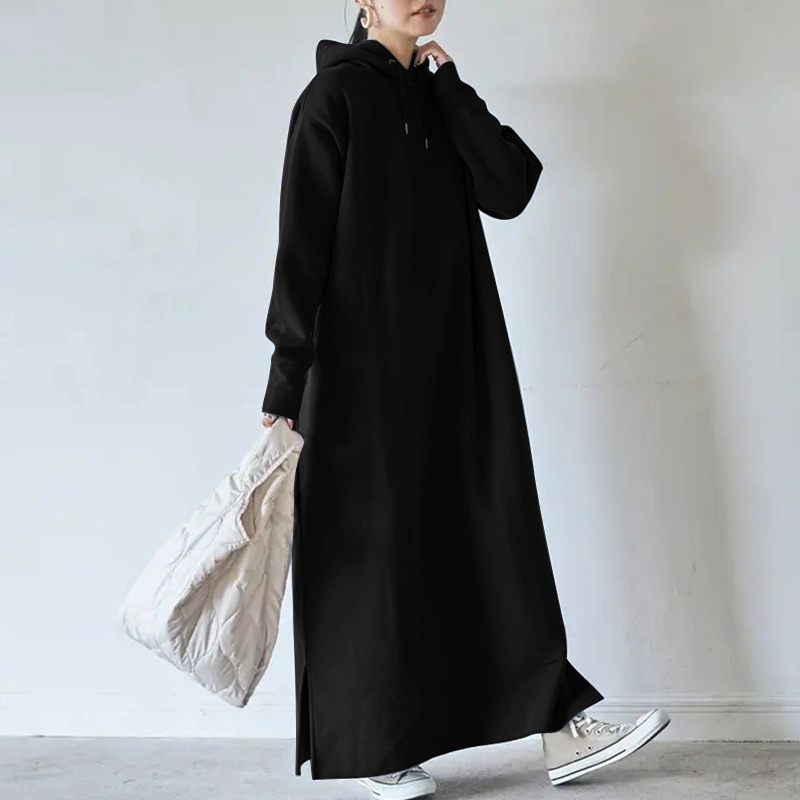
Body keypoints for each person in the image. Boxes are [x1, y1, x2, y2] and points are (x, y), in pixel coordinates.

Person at [260, 0, 671, 795]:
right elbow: (300, 248)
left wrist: (452, 90)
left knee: (495, 529)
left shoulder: (439, 95)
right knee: (373, 557)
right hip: (358, 375)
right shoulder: (331, 99)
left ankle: (560, 730)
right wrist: (287, 380)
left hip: (458, 356)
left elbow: (510, 187)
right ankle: (379, 748)